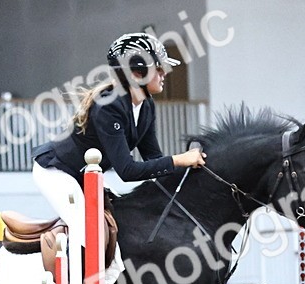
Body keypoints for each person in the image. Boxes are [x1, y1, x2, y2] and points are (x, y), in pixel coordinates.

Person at [31, 32, 205, 232]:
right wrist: (179, 160)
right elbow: (127, 171)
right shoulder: (109, 107)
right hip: (57, 172)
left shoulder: (146, 105)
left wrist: (188, 172)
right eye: (158, 69)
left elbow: (154, 158)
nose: (164, 74)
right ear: (136, 74)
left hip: (86, 174)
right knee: (88, 233)